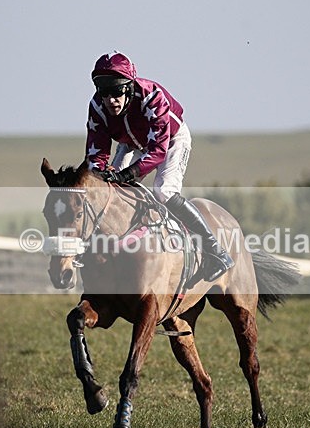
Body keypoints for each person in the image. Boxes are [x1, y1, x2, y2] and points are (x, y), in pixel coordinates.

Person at [83, 51, 233, 282]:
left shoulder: (151, 97)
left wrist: (128, 174)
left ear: (129, 87)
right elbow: (96, 153)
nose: (110, 100)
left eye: (116, 91)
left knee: (163, 192)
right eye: (104, 92)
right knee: (109, 194)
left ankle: (216, 251)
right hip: (131, 143)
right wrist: (102, 174)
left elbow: (157, 151)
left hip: (171, 140)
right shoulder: (97, 107)